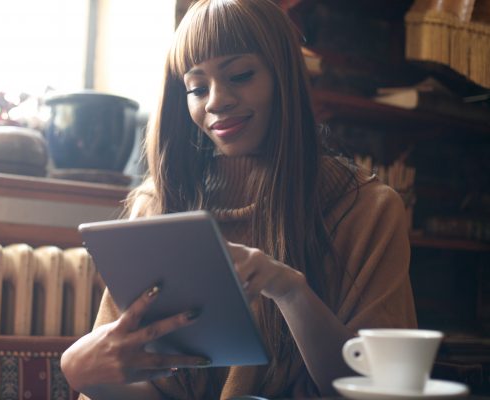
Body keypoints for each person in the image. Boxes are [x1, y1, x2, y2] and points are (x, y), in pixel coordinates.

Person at [60, 0, 417, 398]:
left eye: (241, 75)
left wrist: (290, 291)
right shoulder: (156, 206)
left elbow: (384, 388)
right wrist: (83, 374)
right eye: (197, 87)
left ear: (284, 77)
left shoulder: (367, 209)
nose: (216, 101)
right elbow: (154, 389)